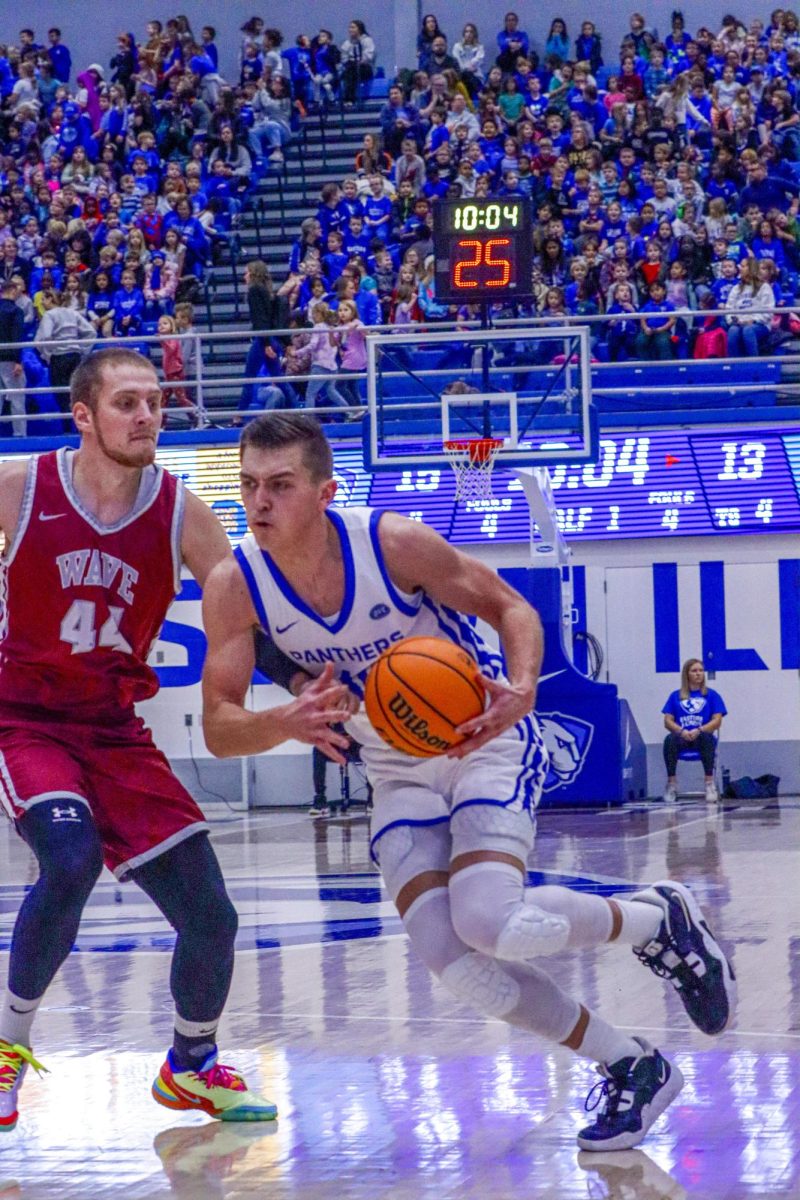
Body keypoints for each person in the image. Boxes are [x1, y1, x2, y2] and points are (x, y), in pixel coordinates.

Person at [200, 412, 737, 1152]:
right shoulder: (235, 584)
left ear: (324, 493)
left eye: (280, 486)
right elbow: (219, 725)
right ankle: (632, 1064)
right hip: (389, 762)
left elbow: (510, 606)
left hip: (480, 735)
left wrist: (520, 686)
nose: (259, 503)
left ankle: (658, 917)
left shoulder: (393, 543)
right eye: (250, 486)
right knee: (460, 968)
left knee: (493, 922)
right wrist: (284, 722)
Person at [0, 352, 350, 1133]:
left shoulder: (184, 514)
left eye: (155, 402)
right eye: (127, 403)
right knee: (70, 857)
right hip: (24, 718)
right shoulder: (21, 488)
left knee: (211, 916)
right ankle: (7, 1051)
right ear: (84, 416)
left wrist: (299, 685)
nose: (147, 416)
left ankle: (191, 1066)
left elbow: (238, 617)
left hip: (115, 731)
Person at [661, 658, 726, 804]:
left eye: (701, 671)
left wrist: (700, 729)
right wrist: (681, 731)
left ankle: (709, 784)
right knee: (669, 740)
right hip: (682, 737)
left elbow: (717, 720)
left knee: (707, 738)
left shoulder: (712, 695)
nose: (698, 674)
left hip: (701, 736)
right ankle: (671, 785)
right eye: (694, 671)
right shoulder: (675, 696)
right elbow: (667, 721)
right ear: (687, 674)